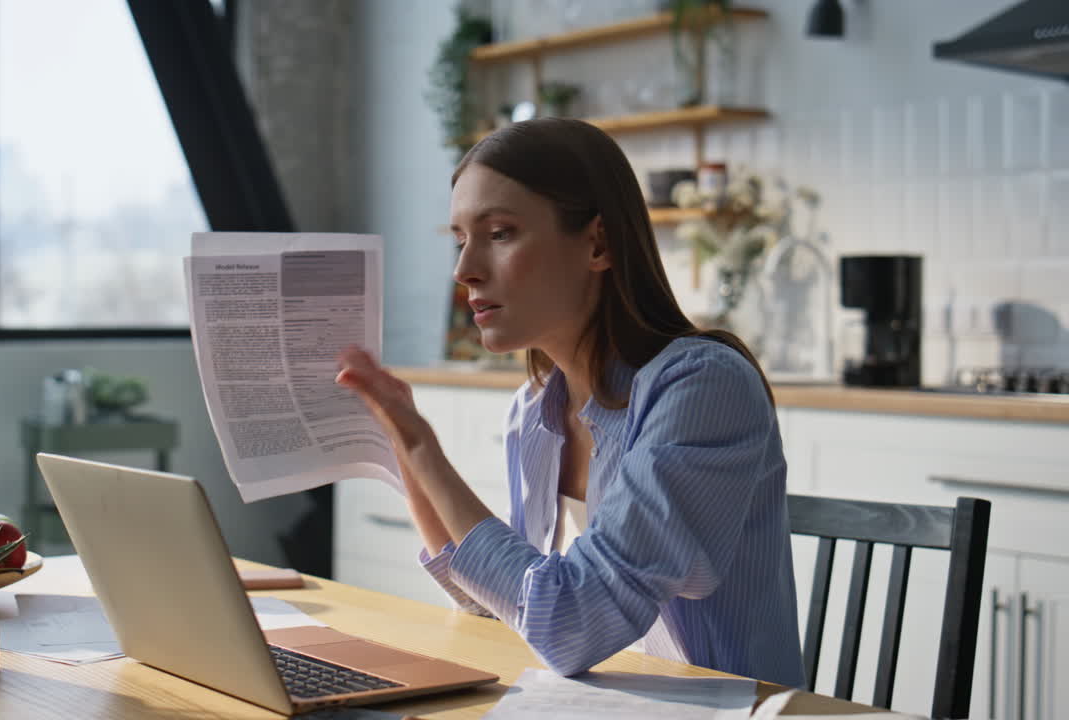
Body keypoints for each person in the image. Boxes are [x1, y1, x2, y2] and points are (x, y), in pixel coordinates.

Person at [335, 117, 805, 687]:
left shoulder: (702, 387)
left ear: (598, 244)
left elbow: (568, 623)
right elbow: (497, 601)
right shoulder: (536, 407)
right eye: (461, 240)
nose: (464, 270)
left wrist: (421, 444)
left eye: (500, 232)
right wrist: (400, 443)